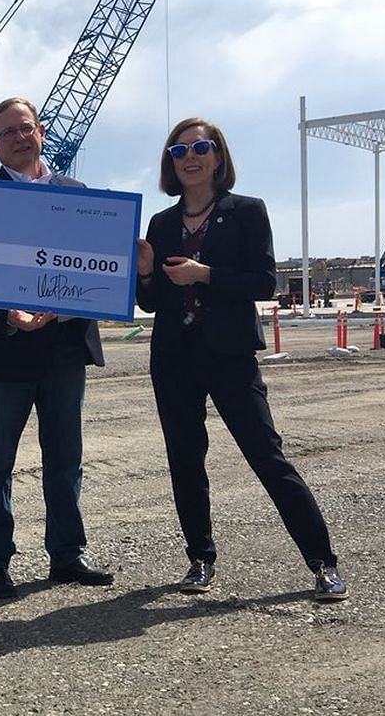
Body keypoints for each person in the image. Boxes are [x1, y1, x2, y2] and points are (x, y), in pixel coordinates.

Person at [135, 117, 348, 601]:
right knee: (185, 461)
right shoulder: (162, 224)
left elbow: (263, 283)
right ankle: (199, 558)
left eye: (200, 148)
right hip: (173, 357)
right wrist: (146, 274)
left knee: (267, 456)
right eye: (179, 150)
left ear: (218, 156)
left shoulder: (248, 211)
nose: (190, 157)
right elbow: (151, 304)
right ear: (170, 162)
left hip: (230, 355)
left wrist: (203, 274)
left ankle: (323, 562)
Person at [0, 97, 113, 599]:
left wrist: (58, 310)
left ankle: (68, 555)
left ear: (42, 132)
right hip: (4, 352)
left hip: (63, 351)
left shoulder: (78, 195)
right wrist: (6, 310)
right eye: (7, 132)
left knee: (65, 460)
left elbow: (95, 270)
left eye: (25, 128)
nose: (18, 137)